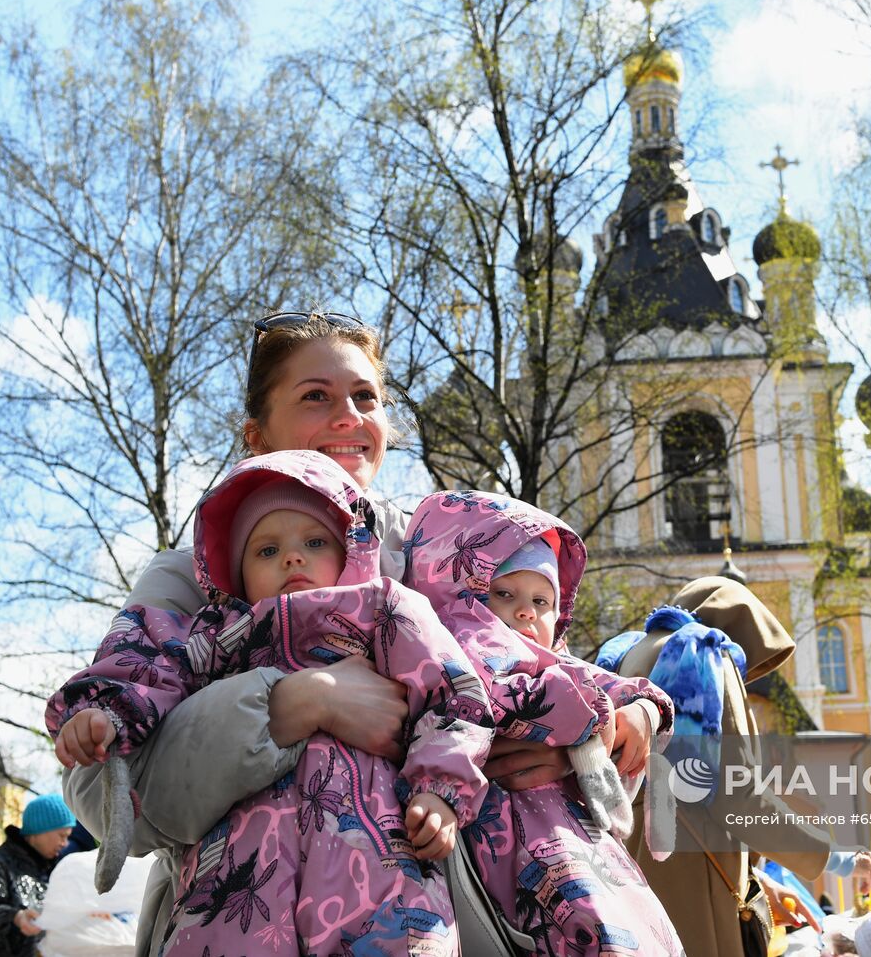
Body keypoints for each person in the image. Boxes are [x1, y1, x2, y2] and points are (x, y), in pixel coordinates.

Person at [59, 311, 571, 957]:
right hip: (233, 919)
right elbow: (98, 792)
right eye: (315, 397)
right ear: (256, 434)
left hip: (441, 923)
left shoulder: (456, 558)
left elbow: (548, 680)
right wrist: (292, 703)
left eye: (366, 397)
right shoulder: (192, 576)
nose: (348, 417)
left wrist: (572, 748)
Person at [47, 451, 494, 955]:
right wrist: (104, 710)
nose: (292, 557)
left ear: (351, 550)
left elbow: (453, 694)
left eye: (315, 542)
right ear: (234, 574)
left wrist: (441, 789)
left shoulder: (385, 607)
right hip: (237, 884)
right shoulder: (220, 635)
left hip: (380, 869)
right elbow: (146, 661)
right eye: (266, 551)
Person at [403, 490, 685, 955]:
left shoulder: (554, 662)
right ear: (461, 591)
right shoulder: (461, 651)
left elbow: (621, 686)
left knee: (635, 924)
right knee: (592, 928)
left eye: (542, 600)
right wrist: (598, 713)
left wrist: (643, 710)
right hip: (518, 834)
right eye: (504, 594)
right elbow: (507, 699)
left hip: (576, 834)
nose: (526, 612)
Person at [597, 577, 871, 957]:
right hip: (695, 884)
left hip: (637, 868)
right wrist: (837, 858)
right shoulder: (705, 649)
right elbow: (737, 796)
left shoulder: (631, 654)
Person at [0, 793, 75, 957]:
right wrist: (15, 917)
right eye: (62, 835)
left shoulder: (51, 873)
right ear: (40, 829)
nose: (65, 844)